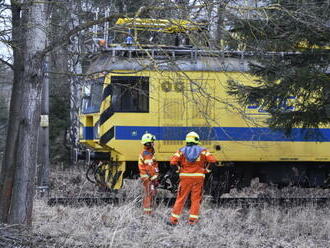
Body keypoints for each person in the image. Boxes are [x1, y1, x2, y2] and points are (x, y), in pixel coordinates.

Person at [169, 131, 217, 225]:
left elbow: (172, 162)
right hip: (198, 178)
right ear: (196, 140)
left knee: (180, 198)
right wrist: (206, 171)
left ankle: (174, 221)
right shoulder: (203, 151)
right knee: (195, 200)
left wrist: (179, 170)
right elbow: (213, 161)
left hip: (185, 178)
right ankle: (192, 221)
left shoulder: (181, 151)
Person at [138, 133, 159, 215]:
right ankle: (147, 213)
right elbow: (150, 168)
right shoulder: (147, 154)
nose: (153, 143)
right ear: (148, 143)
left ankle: (149, 211)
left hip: (147, 177)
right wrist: (154, 179)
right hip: (148, 178)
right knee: (149, 194)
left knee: (150, 193)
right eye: (152, 142)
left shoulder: (147, 153)